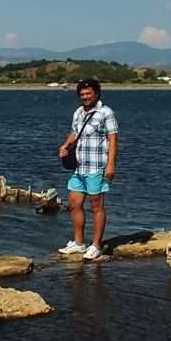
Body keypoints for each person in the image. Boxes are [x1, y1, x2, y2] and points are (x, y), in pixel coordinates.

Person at [57, 78, 118, 260]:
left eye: (88, 93)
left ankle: (97, 245)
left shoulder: (106, 113)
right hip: (79, 166)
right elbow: (75, 132)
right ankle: (79, 242)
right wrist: (66, 145)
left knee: (96, 206)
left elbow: (113, 139)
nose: (85, 97)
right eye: (82, 94)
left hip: (96, 166)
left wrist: (111, 164)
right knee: (74, 204)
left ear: (96, 93)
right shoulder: (78, 112)